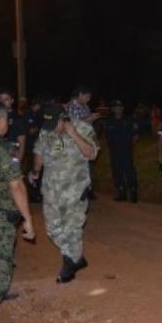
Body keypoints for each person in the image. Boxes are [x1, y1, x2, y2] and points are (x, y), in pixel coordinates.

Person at [30, 104, 98, 283]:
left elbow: (92, 154)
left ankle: (69, 264)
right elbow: (39, 151)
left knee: (72, 228)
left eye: (55, 125)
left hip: (75, 190)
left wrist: (73, 134)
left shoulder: (84, 128)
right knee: (52, 230)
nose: (51, 130)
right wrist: (36, 170)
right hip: (51, 189)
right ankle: (76, 257)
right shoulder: (47, 131)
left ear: (63, 119)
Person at [0, 101, 35, 323]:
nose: (8, 123)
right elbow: (16, 185)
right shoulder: (1, 148)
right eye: (6, 119)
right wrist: (27, 218)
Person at [104, 100, 139, 203]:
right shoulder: (109, 121)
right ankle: (121, 192)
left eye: (120, 107)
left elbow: (136, 134)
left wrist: (131, 143)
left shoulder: (129, 120)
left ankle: (133, 192)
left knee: (129, 170)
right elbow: (107, 136)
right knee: (117, 171)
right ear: (113, 109)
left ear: (122, 109)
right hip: (114, 150)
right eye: (116, 107)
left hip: (126, 149)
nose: (118, 109)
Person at [0, 89, 26, 163]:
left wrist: (18, 162)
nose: (2, 102)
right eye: (0, 99)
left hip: (10, 157)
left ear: (12, 101)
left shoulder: (18, 118)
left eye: (6, 99)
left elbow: (22, 143)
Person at [23, 97, 43, 202]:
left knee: (36, 172)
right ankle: (31, 195)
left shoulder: (36, 115)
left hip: (35, 147)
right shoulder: (28, 114)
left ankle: (35, 193)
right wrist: (39, 129)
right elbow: (30, 131)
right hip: (29, 148)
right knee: (31, 172)